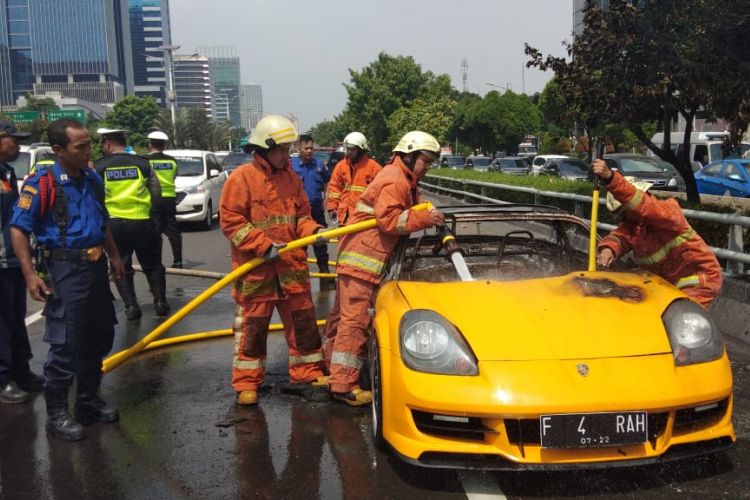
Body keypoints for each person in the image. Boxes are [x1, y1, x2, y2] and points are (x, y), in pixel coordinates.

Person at [10, 118, 125, 441]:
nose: (89, 151)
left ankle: (87, 401)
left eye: (89, 143)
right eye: (81, 146)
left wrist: (114, 256)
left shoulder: (90, 178)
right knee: (65, 343)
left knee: (100, 335)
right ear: (59, 150)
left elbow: (101, 222)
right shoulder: (42, 182)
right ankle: (58, 414)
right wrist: (30, 274)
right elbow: (19, 229)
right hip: (65, 270)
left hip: (94, 266)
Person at [323, 131, 445, 405]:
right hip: (363, 260)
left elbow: (411, 205)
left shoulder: (401, 178)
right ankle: (343, 385)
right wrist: (426, 218)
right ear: (410, 155)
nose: (427, 167)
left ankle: (330, 366)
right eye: (425, 161)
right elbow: (390, 221)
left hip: (356, 257)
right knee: (355, 322)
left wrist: (424, 208)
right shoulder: (395, 180)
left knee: (342, 317)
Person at [220, 115, 330, 406]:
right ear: (264, 148)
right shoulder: (242, 178)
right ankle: (247, 383)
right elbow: (231, 221)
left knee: (303, 324)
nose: (287, 154)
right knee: (253, 329)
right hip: (256, 271)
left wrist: (315, 231)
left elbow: (302, 218)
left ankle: (306, 372)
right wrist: (261, 245)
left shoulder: (292, 180)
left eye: (288, 148)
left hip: (291, 268)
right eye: (282, 149)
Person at [592, 158, 722, 308]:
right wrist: (608, 249)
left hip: (699, 283)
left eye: (626, 212)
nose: (625, 218)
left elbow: (643, 205)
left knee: (680, 325)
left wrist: (611, 178)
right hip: (667, 287)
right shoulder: (634, 226)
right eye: (622, 215)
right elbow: (621, 236)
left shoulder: (667, 212)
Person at [95, 128, 169, 320]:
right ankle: (160, 302)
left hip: (114, 226)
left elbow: (94, 196)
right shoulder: (143, 163)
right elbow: (156, 191)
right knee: (153, 265)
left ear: (108, 144)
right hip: (143, 222)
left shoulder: (99, 167)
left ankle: (131, 306)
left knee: (121, 266)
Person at [0, 119, 44, 404]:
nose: (18, 145)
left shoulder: (6, 173)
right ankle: (3, 378)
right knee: (1, 321)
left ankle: (20, 369)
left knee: (15, 318)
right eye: (13, 139)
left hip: (13, 260)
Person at [292, 134, 335, 290]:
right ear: (298, 148)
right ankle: (299, 278)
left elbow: (327, 181)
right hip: (298, 215)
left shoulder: (319, 165)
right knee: (299, 246)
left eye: (311, 148)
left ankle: (325, 274)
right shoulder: (291, 165)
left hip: (316, 212)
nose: (310, 151)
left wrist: (327, 198)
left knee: (320, 244)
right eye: (306, 148)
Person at [325, 132, 381, 226]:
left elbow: (381, 193)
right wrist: (332, 207)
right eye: (347, 149)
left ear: (360, 149)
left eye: (352, 149)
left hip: (364, 220)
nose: (349, 152)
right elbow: (334, 188)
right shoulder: (341, 166)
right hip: (344, 217)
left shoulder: (374, 168)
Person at [147, 130, 183, 268]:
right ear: (164, 145)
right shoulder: (171, 161)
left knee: (155, 231)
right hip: (169, 199)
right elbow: (174, 176)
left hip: (153, 200)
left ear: (150, 144)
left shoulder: (146, 160)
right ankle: (178, 260)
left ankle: (156, 261)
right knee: (173, 230)